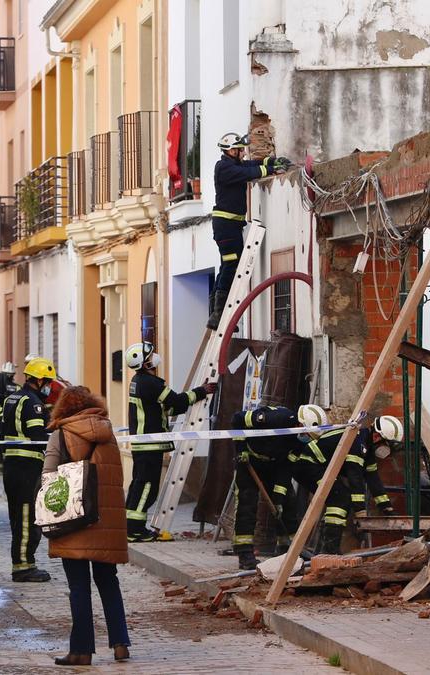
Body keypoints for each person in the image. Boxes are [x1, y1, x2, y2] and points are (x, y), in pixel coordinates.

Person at [43, 386, 131, 666]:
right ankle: (120, 643)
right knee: (109, 581)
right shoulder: (107, 433)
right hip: (104, 520)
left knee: (79, 586)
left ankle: (80, 651)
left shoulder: (60, 434)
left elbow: (49, 476)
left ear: (63, 407)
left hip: (74, 520)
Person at [123, 342, 215, 542]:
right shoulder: (151, 383)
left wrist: (188, 400)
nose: (155, 357)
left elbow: (165, 409)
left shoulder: (139, 381)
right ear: (145, 363)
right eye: (151, 356)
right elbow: (177, 401)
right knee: (147, 487)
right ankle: (136, 531)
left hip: (143, 443)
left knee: (139, 485)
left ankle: (130, 527)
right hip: (150, 444)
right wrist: (202, 391)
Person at [208, 133, 291, 329]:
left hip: (232, 226)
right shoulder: (224, 168)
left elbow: (249, 166)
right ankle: (218, 314)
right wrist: (271, 169)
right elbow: (247, 173)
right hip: (226, 227)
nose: (242, 153)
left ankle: (216, 314)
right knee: (230, 266)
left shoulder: (233, 164)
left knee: (226, 266)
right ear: (230, 150)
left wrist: (271, 160)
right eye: (239, 149)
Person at [0, 357, 57, 582]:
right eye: (48, 382)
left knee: (18, 517)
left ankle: (25, 562)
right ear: (40, 380)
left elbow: (2, 433)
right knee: (25, 518)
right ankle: (23, 567)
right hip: (26, 468)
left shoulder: (11, 398)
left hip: (12, 467)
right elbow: (37, 437)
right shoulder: (33, 403)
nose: (49, 386)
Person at [289, 404, 367, 554]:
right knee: (340, 498)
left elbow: (370, 476)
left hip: (313, 466)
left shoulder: (360, 442)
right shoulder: (357, 442)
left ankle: (327, 548)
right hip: (308, 465)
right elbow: (354, 475)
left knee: (339, 497)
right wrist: (360, 510)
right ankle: (330, 550)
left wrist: (385, 506)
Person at [229, 405, 298, 569]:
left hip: (275, 465)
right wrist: (241, 449)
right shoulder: (275, 419)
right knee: (247, 503)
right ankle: (245, 553)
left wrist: (278, 498)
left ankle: (287, 549)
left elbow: (286, 468)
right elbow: (237, 419)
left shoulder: (300, 441)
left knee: (288, 502)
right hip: (250, 462)